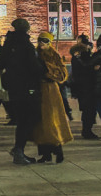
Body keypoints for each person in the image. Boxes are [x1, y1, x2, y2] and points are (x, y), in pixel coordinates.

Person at [0, 19, 44, 165]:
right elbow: (34, 67)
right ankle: (18, 149)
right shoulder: (26, 45)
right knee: (31, 117)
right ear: (27, 29)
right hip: (27, 86)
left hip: (13, 87)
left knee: (22, 119)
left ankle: (19, 149)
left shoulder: (9, 44)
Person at [31, 32, 73, 163]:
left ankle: (58, 149)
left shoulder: (54, 55)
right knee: (40, 123)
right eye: (39, 40)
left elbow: (62, 75)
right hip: (38, 90)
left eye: (44, 40)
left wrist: (47, 68)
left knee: (52, 121)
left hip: (51, 92)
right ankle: (45, 153)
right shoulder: (34, 54)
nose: (41, 43)